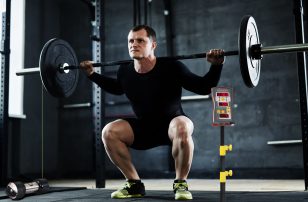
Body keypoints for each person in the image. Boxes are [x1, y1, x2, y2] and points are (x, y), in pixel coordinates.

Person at [80, 25, 225, 200]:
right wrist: (91, 75)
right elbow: (118, 88)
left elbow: (203, 87)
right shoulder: (125, 70)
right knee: (109, 131)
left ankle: (180, 184)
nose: (134, 44)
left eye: (140, 40)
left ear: (153, 45)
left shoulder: (171, 67)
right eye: (131, 41)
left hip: (173, 126)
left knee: (182, 125)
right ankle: (134, 184)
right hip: (145, 128)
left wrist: (216, 66)